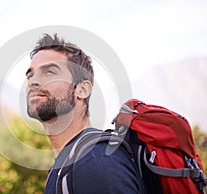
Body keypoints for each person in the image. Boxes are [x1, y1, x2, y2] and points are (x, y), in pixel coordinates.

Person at [26, 34, 145, 194]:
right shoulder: (66, 166)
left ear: (82, 90)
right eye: (30, 75)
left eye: (49, 72)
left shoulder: (97, 161)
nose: (33, 81)